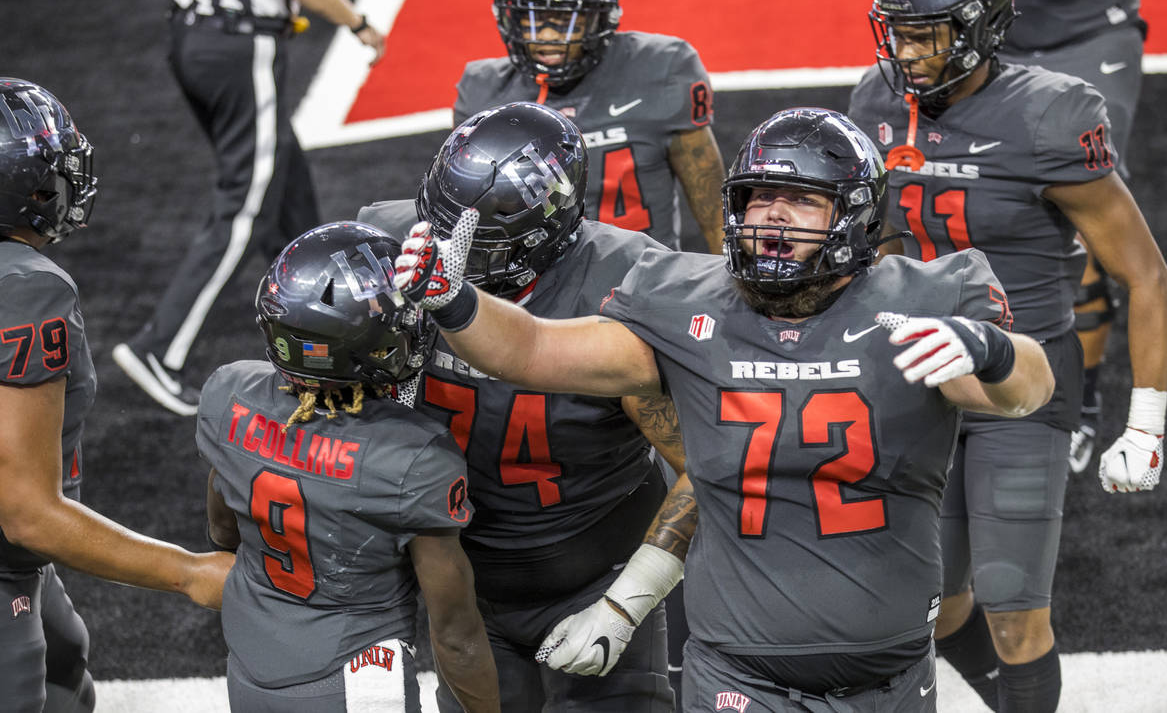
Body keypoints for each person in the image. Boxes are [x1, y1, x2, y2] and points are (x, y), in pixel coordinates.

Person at [393, 106, 1057, 711]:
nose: (772, 215)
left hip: (890, 676)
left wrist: (990, 348)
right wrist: (456, 302)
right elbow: (532, 349)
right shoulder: (684, 297)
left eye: (799, 200)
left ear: (852, 213)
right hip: (738, 676)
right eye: (758, 197)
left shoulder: (926, 297)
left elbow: (1028, 389)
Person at [848, 0, 1167, 709]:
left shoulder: (1049, 114)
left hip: (1021, 383)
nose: (908, 50)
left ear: (979, 31)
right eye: (898, 30)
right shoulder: (875, 101)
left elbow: (1146, 274)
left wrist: (1146, 422)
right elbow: (885, 246)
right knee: (931, 602)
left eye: (927, 33)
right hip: (919, 374)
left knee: (1014, 609)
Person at [358, 101, 687, 712]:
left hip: (591, 574)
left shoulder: (626, 282)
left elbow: (709, 465)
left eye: (478, 243)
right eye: (440, 224)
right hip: (459, 580)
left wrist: (630, 598)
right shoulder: (388, 243)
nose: (450, 252)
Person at [0, 77, 233, 713]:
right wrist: (188, 573)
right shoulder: (25, 289)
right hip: (9, 549)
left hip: (18, 563)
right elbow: (25, 511)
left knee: (66, 665)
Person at [199, 221, 500, 712]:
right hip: (358, 680)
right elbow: (455, 634)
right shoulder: (415, 456)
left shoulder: (228, 392)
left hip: (250, 670)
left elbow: (222, 529)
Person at [113, 0, 387, 416]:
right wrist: (357, 23)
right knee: (247, 207)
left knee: (287, 190)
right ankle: (158, 348)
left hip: (192, 35)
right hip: (241, 46)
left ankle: (324, 340)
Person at [998, 0, 1167, 473]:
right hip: (988, 37)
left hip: (1094, 33)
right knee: (989, 214)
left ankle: (1079, 402)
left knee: (1082, 228)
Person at [455, 0, 726, 254]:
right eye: (530, 17)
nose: (546, 35)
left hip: (643, 278)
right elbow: (470, 218)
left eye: (565, 18)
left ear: (599, 16)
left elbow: (712, 205)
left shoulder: (663, 70)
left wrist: (728, 279)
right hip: (537, 284)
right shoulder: (481, 92)